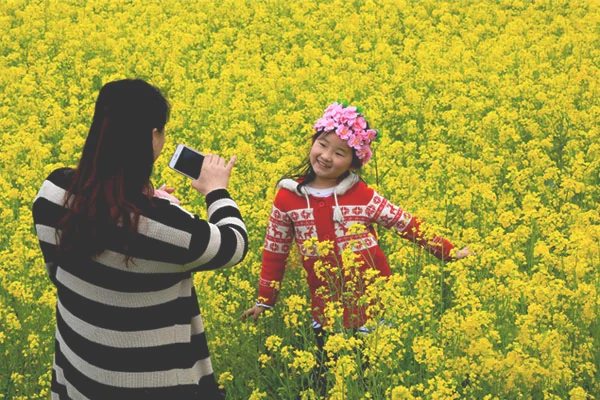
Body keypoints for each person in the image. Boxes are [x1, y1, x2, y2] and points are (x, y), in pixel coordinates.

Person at [32, 79, 247, 399]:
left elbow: (58, 272)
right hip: (149, 385)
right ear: (152, 136)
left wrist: (144, 201)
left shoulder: (53, 192)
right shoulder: (166, 230)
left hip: (80, 373)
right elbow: (233, 244)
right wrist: (216, 190)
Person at [242, 101, 471, 331]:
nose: (326, 156)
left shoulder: (361, 194)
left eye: (339, 153)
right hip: (326, 304)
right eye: (322, 145)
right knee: (329, 361)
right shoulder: (287, 197)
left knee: (371, 361)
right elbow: (275, 250)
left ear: (354, 163)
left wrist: (449, 252)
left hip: (374, 300)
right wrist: (265, 299)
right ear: (313, 143)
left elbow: (404, 223)